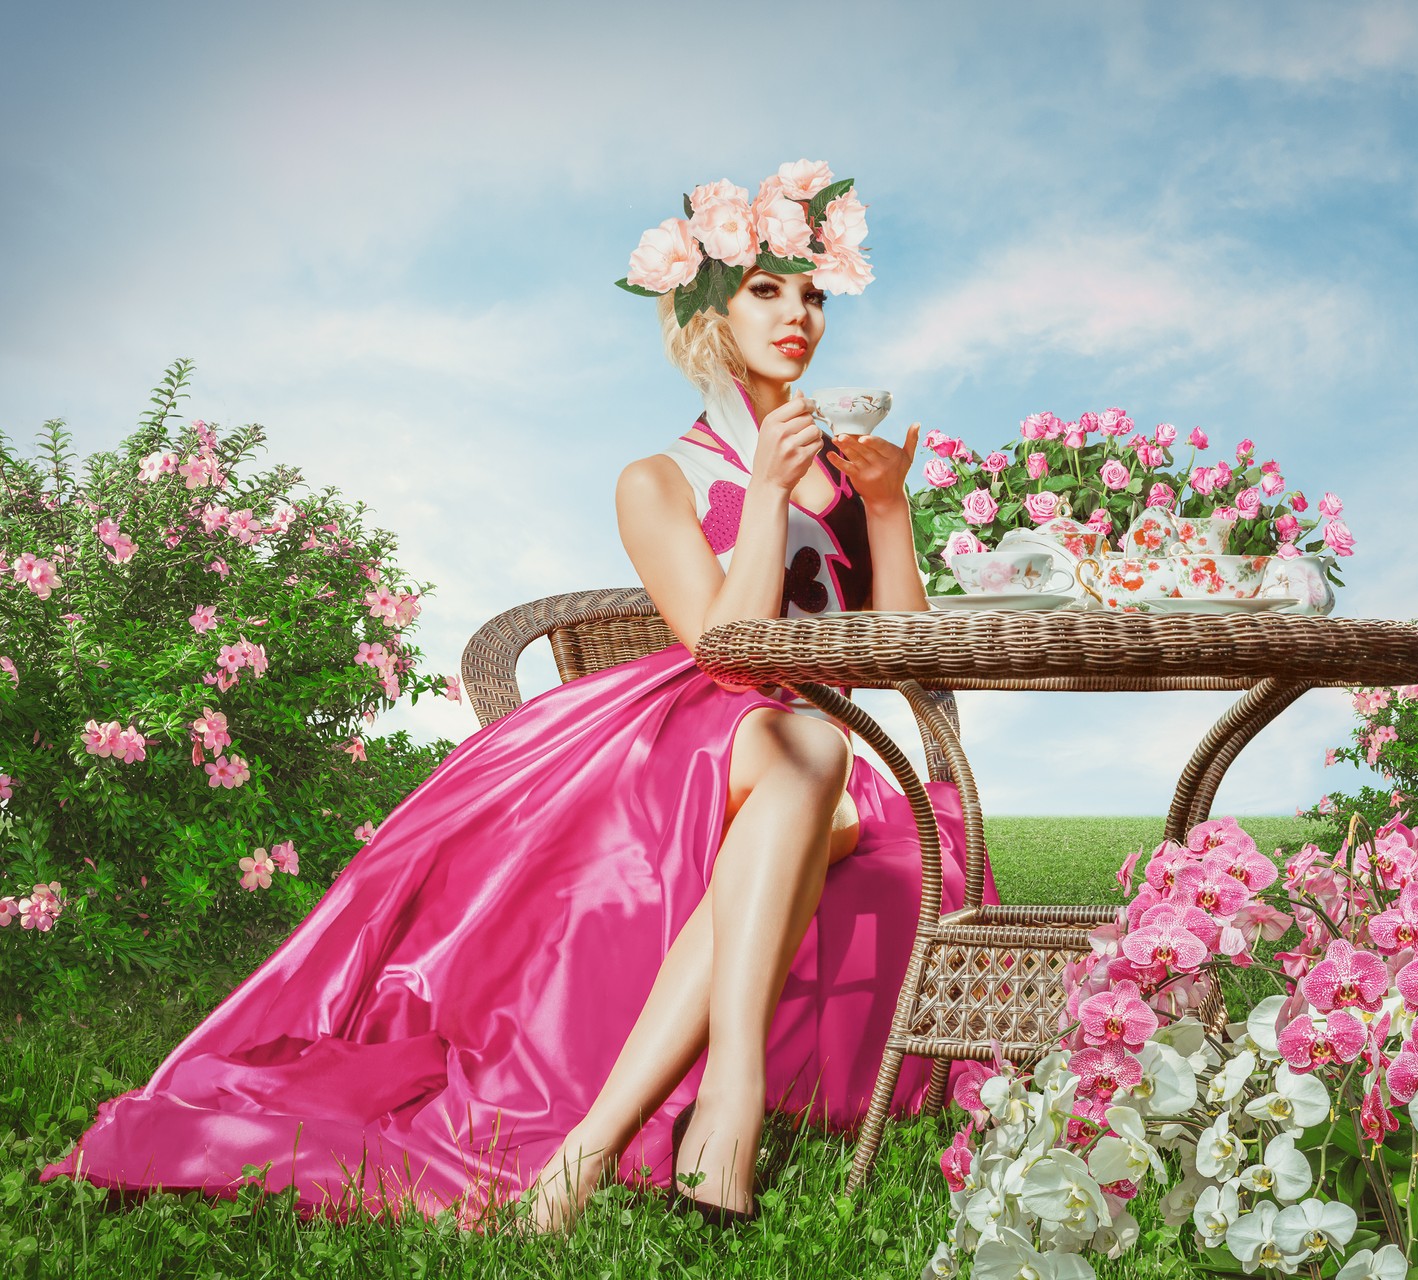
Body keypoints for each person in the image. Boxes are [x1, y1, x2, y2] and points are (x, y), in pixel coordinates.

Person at [41, 160, 994, 1233]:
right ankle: (724, 1102)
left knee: (819, 757)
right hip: (697, 727)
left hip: (821, 735)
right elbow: (727, 651)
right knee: (805, 749)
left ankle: (590, 1153)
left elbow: (912, 660)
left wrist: (887, 507)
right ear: (707, 314)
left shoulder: (843, 469)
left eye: (813, 295)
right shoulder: (658, 478)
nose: (798, 315)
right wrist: (767, 490)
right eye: (767, 290)